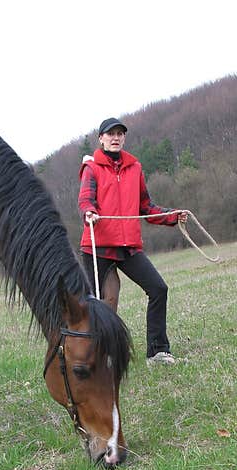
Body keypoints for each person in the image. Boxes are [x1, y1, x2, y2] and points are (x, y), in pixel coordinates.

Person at [78, 117, 187, 365]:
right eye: (110, 134)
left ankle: (158, 352)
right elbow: (85, 200)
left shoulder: (134, 167)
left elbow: (146, 206)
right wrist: (89, 213)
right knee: (101, 303)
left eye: (120, 134)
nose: (115, 138)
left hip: (128, 246)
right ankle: (94, 355)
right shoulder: (92, 167)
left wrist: (172, 216)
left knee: (158, 289)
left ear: (124, 138)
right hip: (99, 245)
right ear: (101, 139)